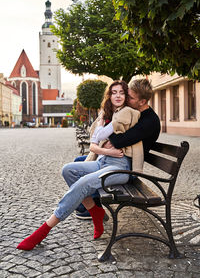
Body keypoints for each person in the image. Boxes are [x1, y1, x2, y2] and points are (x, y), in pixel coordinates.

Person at [16, 79, 160, 251]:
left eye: (129, 96)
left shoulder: (146, 119)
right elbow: (105, 138)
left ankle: (43, 230)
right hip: (107, 161)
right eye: (120, 93)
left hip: (125, 167)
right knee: (68, 170)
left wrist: (106, 130)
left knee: (83, 183)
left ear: (142, 101)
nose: (125, 98)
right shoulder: (128, 110)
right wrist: (106, 132)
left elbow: (119, 139)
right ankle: (95, 211)